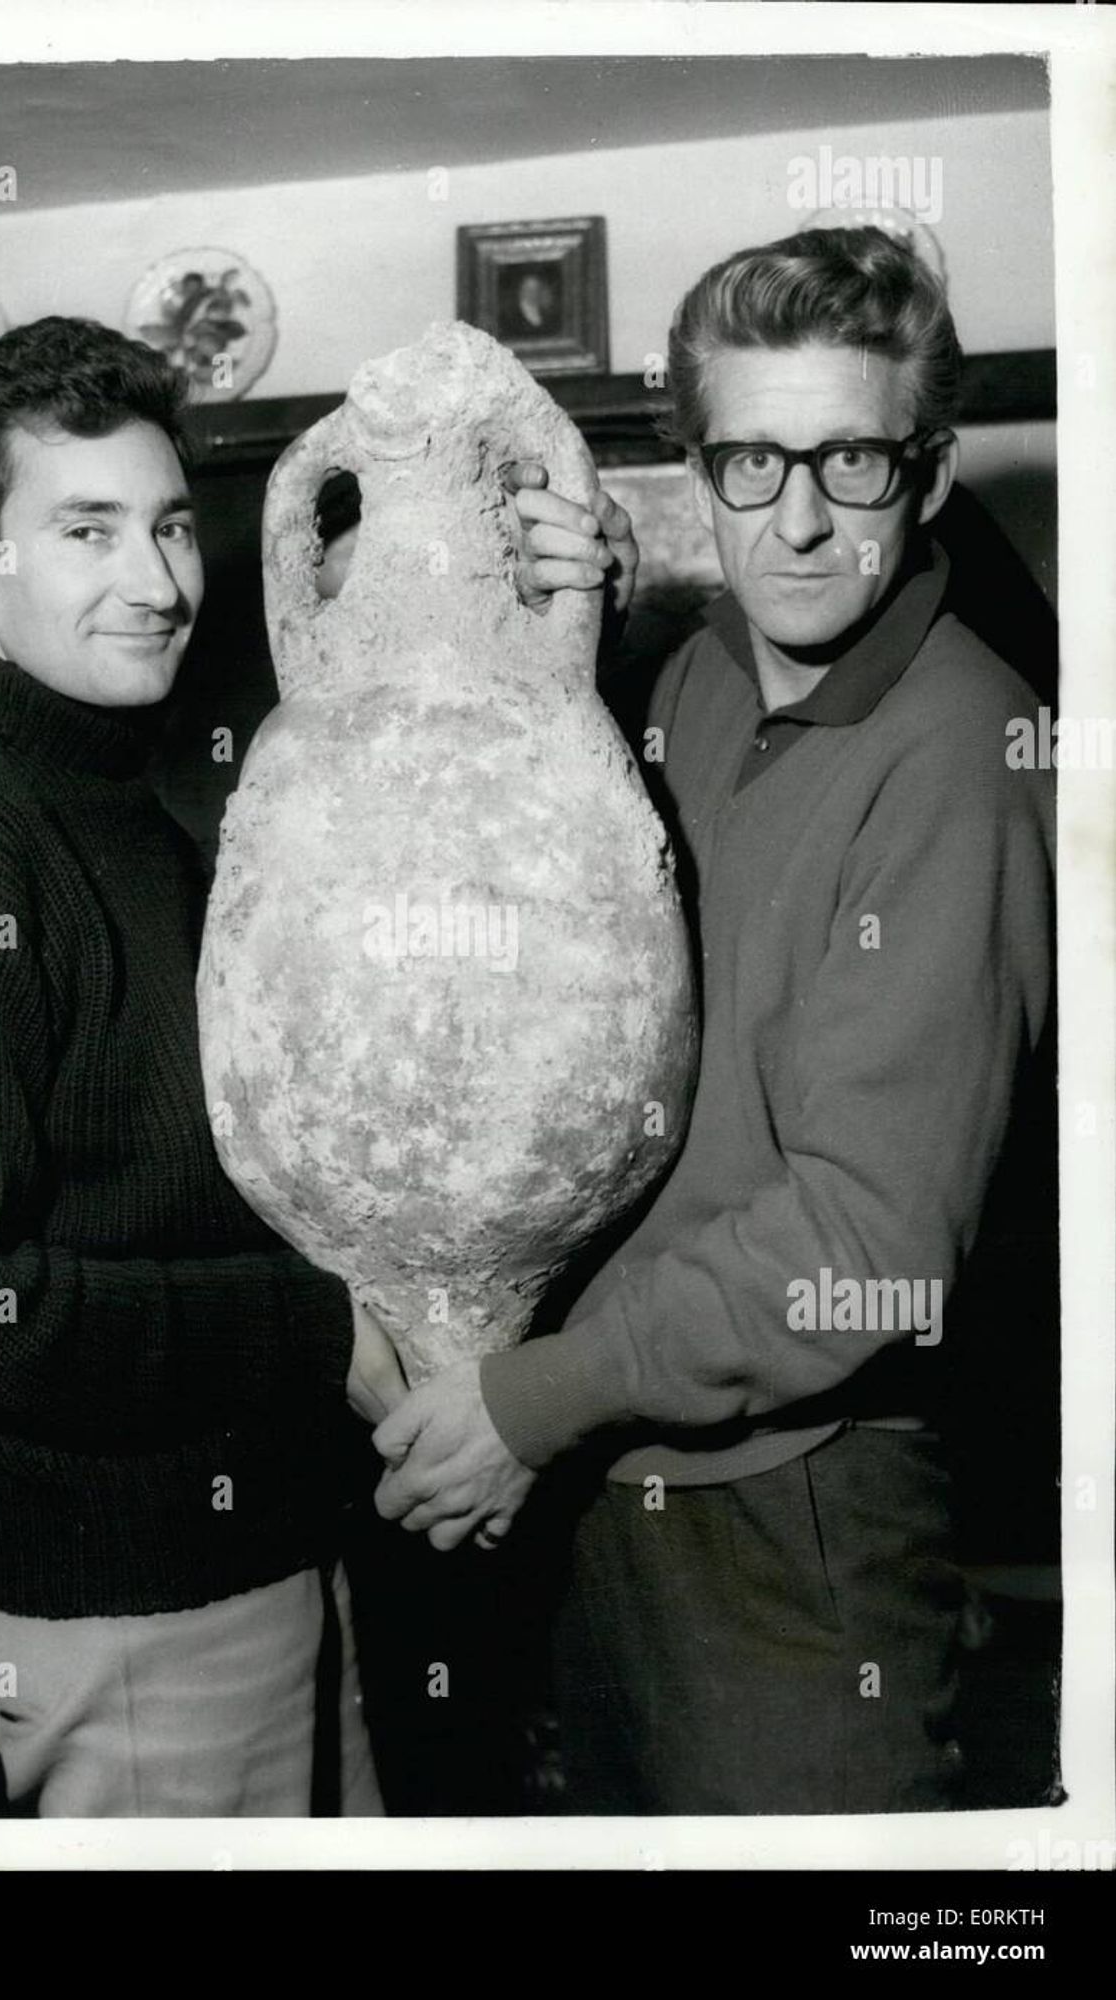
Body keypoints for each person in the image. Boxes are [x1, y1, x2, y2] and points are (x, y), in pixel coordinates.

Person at [0, 314, 631, 1818]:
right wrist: (309, 1332)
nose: (161, 582)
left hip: (258, 1555)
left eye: (174, 524)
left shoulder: (128, 787)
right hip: (123, 1613)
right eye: (86, 531)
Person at [370, 227, 1056, 1814]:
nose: (799, 522)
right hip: (623, 1462)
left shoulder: (965, 753)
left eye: (852, 463)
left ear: (931, 474)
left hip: (797, 1513)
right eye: (750, 460)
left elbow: (867, 1236)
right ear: (698, 468)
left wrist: (522, 1402)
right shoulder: (697, 679)